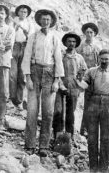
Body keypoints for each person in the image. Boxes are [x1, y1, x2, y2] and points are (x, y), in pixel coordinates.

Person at [21, 9, 64, 157]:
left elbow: (58, 59)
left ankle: (43, 146)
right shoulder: (33, 37)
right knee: (32, 110)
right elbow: (26, 57)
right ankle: (30, 144)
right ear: (39, 21)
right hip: (34, 72)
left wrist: (57, 80)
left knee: (48, 112)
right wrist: (28, 78)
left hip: (50, 74)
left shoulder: (55, 38)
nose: (45, 22)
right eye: (43, 19)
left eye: (48, 20)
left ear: (51, 22)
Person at [52, 32, 87, 139]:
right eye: (69, 41)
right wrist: (61, 86)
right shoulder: (61, 55)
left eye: (74, 42)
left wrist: (80, 80)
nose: (71, 43)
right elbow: (56, 70)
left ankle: (69, 136)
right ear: (65, 43)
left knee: (70, 112)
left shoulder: (79, 57)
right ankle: (57, 135)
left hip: (74, 88)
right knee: (58, 111)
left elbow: (84, 69)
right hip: (60, 87)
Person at [76, 22, 100, 136]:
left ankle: (87, 128)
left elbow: (100, 64)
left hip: (93, 77)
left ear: (94, 34)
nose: (89, 34)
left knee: (91, 103)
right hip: (82, 75)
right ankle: (79, 128)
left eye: (91, 32)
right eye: (87, 32)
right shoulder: (80, 46)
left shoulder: (96, 48)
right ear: (84, 33)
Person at [9, 4, 34, 110]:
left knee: (21, 76)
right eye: (21, 11)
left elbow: (31, 38)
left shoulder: (29, 24)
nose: (23, 13)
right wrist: (15, 28)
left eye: (25, 12)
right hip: (14, 47)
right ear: (18, 12)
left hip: (24, 48)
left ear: (27, 14)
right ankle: (11, 98)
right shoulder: (13, 21)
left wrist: (26, 32)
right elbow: (9, 34)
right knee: (12, 75)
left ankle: (18, 100)